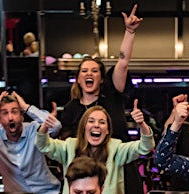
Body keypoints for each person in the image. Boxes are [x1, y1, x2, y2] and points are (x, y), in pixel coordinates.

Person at [35, 103, 153, 194]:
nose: (96, 125)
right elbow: (43, 145)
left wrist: (142, 125)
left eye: (102, 122)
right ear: (83, 128)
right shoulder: (70, 146)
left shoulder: (117, 148)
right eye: (91, 121)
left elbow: (145, 147)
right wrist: (45, 127)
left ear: (107, 130)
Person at [58, 5, 143, 142]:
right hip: (86, 162)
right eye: (84, 71)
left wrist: (130, 32)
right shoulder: (71, 108)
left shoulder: (112, 93)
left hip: (117, 158)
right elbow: (65, 141)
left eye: (94, 71)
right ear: (78, 79)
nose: (89, 74)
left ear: (102, 79)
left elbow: (123, 62)